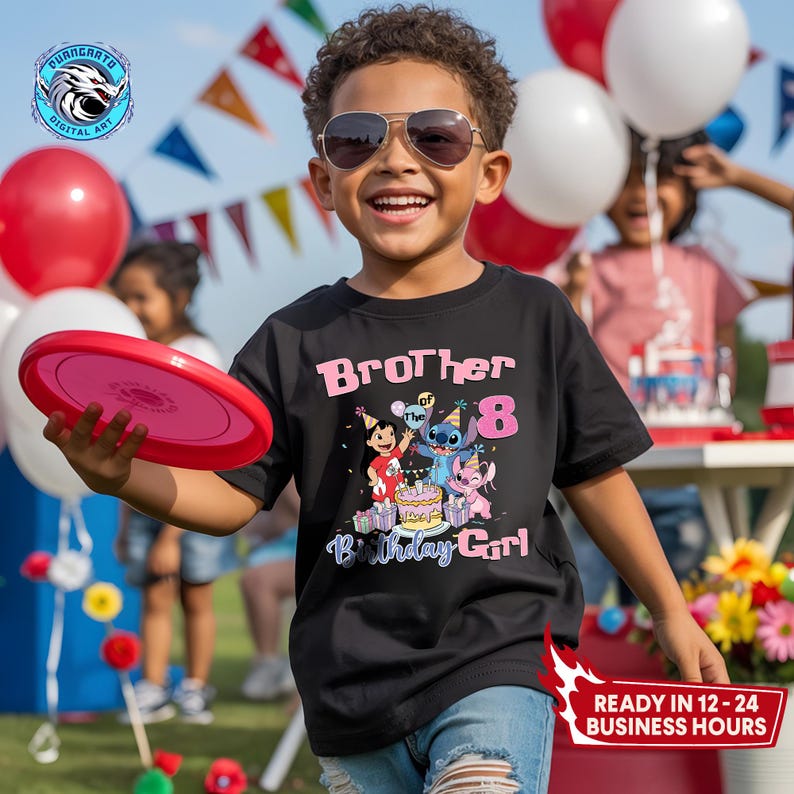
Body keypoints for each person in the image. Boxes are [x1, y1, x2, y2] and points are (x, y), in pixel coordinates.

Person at [44, 6, 728, 792]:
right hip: (351, 687)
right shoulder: (291, 338)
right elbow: (232, 498)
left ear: (490, 173)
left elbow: (597, 476)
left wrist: (669, 610)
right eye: (357, 139)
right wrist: (118, 475)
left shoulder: (537, 316)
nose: (396, 160)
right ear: (323, 181)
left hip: (501, 657)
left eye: (436, 137)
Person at [554, 131, 792, 606]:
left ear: (688, 192)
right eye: (624, 179)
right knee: (585, 600)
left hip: (685, 469)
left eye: (659, 177)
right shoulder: (588, 267)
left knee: (679, 603)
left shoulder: (705, 265)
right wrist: (575, 289)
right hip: (607, 470)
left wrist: (737, 176)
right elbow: (569, 354)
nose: (640, 192)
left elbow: (725, 359)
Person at [111, 241, 238, 724]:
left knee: (196, 596)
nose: (131, 308)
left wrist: (171, 534)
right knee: (156, 595)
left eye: (141, 297)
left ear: (179, 298)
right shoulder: (136, 354)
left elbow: (200, 450)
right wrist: (126, 520)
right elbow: (132, 446)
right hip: (147, 502)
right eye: (123, 297)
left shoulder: (195, 353)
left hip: (192, 502)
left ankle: (195, 689)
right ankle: (153, 687)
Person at [238, 477, 299, 701]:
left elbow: (304, 510)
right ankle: (267, 661)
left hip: (318, 545)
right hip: (283, 543)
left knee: (258, 580)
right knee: (253, 579)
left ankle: (272, 662)